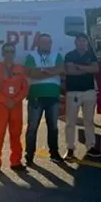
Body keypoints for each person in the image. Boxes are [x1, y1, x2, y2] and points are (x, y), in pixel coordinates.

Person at [24, 33, 65, 165]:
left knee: (53, 127)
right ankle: (29, 155)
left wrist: (42, 71)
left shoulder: (56, 55)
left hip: (53, 96)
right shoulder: (31, 55)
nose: (46, 44)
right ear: (38, 44)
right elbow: (32, 73)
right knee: (32, 127)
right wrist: (51, 71)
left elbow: (61, 68)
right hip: (36, 96)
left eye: (48, 42)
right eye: (43, 42)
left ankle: (54, 153)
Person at [0, 42, 29, 174]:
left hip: (16, 107)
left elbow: (25, 88)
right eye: (6, 51)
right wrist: (5, 100)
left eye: (11, 51)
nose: (9, 54)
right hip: (1, 107)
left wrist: (15, 100)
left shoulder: (20, 70)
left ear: (14, 53)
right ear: (2, 53)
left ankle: (16, 161)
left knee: (16, 135)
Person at [63, 33, 101, 160]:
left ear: (87, 42)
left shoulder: (91, 54)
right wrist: (87, 69)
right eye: (79, 41)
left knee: (89, 121)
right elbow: (70, 71)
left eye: (84, 41)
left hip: (89, 92)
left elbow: (96, 69)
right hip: (73, 92)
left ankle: (91, 146)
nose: (81, 43)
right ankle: (70, 148)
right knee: (71, 122)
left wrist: (79, 67)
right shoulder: (69, 55)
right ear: (75, 42)